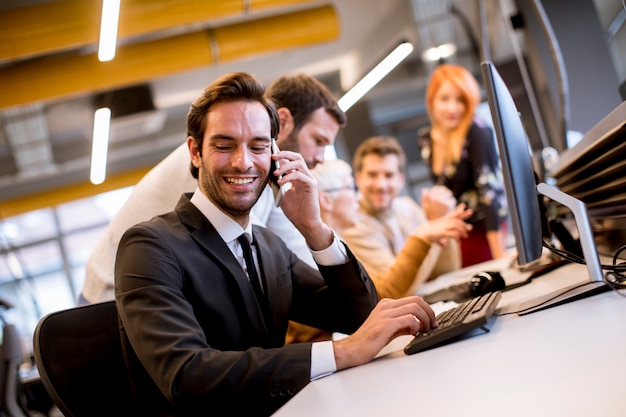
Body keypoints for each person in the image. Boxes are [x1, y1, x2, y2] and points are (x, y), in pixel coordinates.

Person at [114, 72, 438, 416]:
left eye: (257, 146)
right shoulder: (149, 247)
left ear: (275, 153)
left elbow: (360, 316)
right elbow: (188, 377)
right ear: (196, 152)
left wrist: (314, 228)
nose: (243, 162)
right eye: (224, 145)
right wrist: (342, 353)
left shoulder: (268, 245)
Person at [81, 73, 346, 304]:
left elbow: (294, 257)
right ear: (284, 121)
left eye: (258, 145)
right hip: (111, 295)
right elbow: (237, 273)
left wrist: (315, 228)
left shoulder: (268, 177)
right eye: (318, 140)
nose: (322, 157)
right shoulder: (215, 169)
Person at [286, 158, 471, 344]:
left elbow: (373, 294)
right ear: (325, 200)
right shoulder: (313, 249)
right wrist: (423, 236)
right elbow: (383, 294)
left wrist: (431, 233)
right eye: (351, 188)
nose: (359, 197)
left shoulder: (338, 241)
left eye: (389, 175)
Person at [340, 135, 468, 299]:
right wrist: (432, 227)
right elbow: (398, 288)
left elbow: (446, 270)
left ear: (401, 179)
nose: (381, 185)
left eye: (388, 175)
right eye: (372, 175)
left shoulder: (407, 207)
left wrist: (442, 222)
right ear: (358, 179)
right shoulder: (351, 225)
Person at [418, 63, 508, 267]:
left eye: (460, 100)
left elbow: (489, 192)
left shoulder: (476, 130)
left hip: (484, 227)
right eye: (444, 99)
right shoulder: (425, 139)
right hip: (455, 229)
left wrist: (498, 253)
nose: (453, 108)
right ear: (432, 101)